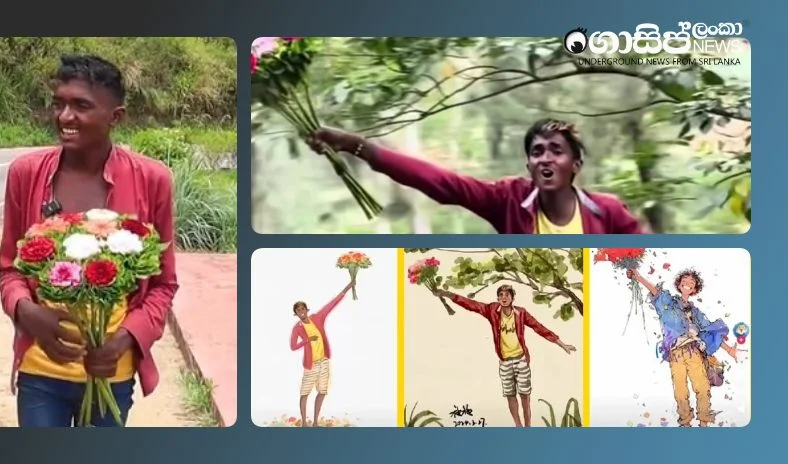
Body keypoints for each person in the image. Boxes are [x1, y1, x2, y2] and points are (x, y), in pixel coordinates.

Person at [0, 54, 179, 427]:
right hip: (41, 371)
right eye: (59, 103)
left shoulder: (152, 179)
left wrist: (125, 339)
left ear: (116, 117)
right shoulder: (25, 174)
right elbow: (9, 271)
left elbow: (163, 285)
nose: (65, 116)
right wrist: (27, 312)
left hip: (110, 373)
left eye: (81, 105)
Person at [306, 120, 646, 234]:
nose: (545, 157)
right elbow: (442, 183)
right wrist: (356, 146)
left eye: (556, 150)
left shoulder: (608, 212)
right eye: (537, 151)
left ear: (576, 164)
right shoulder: (508, 200)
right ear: (528, 165)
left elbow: (645, 263)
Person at [433, 285, 577, 427]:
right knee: (510, 395)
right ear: (497, 298)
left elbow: (539, 327)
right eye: (501, 295)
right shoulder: (492, 310)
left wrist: (561, 343)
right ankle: (518, 426)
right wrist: (447, 294)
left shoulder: (521, 313)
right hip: (505, 362)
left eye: (507, 295)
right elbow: (472, 305)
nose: (503, 298)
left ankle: (528, 427)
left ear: (512, 298)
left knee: (525, 396)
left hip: (521, 360)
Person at [628, 268, 741, 427]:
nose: (688, 283)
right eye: (685, 281)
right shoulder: (668, 302)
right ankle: (685, 423)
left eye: (692, 282)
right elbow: (656, 292)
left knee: (702, 387)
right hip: (676, 354)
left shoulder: (696, 312)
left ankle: (704, 423)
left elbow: (710, 330)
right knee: (680, 393)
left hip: (694, 351)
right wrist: (639, 278)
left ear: (695, 289)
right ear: (679, 284)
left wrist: (730, 350)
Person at [289, 280, 355, 426]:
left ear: (307, 309)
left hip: (323, 362)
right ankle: (305, 423)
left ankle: (315, 423)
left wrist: (347, 288)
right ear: (296, 314)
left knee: (322, 391)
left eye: (303, 309)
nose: (301, 312)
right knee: (305, 393)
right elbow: (293, 346)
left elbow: (331, 304)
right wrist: (306, 340)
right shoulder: (297, 328)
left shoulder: (317, 318)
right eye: (298, 311)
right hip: (310, 364)